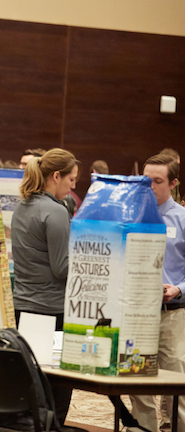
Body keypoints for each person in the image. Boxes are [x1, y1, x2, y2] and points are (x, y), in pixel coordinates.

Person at [11, 147, 79, 423]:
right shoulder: (55, 211)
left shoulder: (21, 206)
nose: (73, 187)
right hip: (52, 310)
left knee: (29, 387)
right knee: (56, 392)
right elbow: (62, 268)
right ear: (56, 176)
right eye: (71, 180)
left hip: (23, 307)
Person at [129, 154, 185, 432]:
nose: (150, 186)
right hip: (136, 314)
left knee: (177, 383)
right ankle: (144, 429)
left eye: (157, 181)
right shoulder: (132, 216)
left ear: (173, 183)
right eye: (145, 180)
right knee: (137, 380)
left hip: (172, 314)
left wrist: (178, 288)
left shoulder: (182, 219)